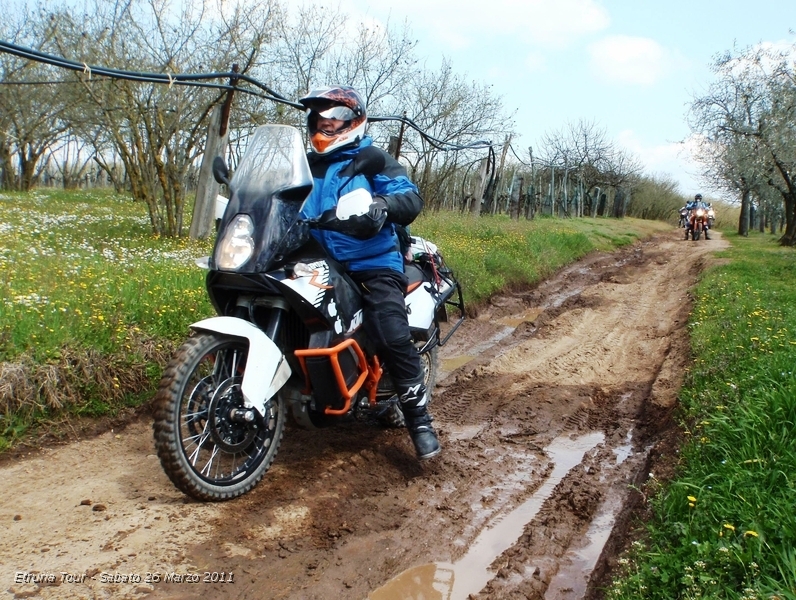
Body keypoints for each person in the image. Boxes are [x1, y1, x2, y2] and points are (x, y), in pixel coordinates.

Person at [297, 85, 441, 460]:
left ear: (353, 121)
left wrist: (382, 204)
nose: (326, 125)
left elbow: (410, 198)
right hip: (314, 259)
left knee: (391, 332)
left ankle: (419, 421)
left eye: (335, 119)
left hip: (371, 262)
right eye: (320, 119)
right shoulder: (304, 165)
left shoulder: (372, 158)